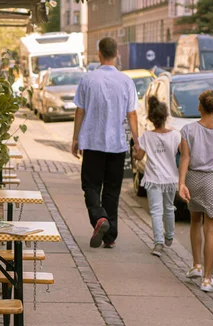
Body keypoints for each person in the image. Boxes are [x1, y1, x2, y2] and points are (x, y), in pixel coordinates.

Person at [71, 37, 139, 248]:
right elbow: (132, 114)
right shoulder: (126, 81)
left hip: (92, 142)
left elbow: (79, 111)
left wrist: (75, 138)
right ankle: (110, 237)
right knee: (112, 190)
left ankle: (99, 218)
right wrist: (137, 142)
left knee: (91, 186)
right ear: (116, 54)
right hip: (117, 145)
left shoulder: (88, 80)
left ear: (99, 54)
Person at [178, 89, 213, 292]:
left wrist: (181, 183)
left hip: (193, 178)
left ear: (199, 107)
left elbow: (184, 158)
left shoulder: (188, 130)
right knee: (210, 229)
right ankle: (208, 280)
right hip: (212, 180)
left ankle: (196, 265)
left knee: (195, 221)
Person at [133, 96, 181, 257]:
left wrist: (135, 150)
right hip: (170, 179)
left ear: (151, 119)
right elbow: (183, 153)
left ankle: (158, 243)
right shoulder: (175, 135)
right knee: (169, 208)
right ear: (166, 117)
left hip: (153, 178)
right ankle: (170, 236)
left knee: (155, 211)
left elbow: (139, 157)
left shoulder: (147, 136)